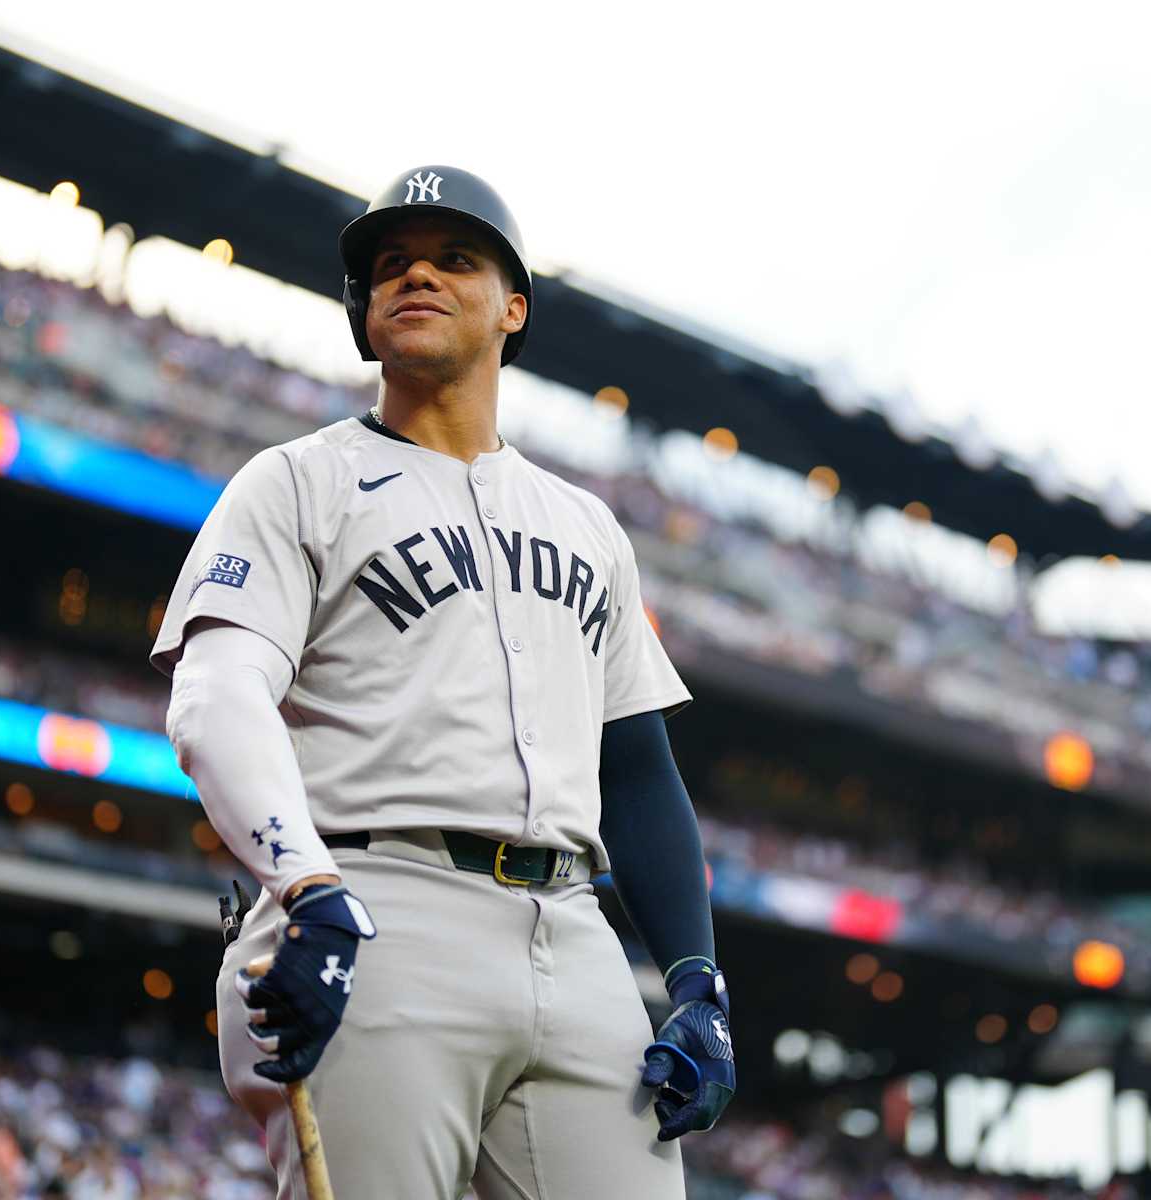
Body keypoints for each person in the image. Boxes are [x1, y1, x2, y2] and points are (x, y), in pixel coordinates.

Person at [153, 165, 733, 1198]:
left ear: (513, 307)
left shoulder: (588, 526)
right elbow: (215, 695)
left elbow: (639, 773)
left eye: (454, 258)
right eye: (389, 265)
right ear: (362, 316)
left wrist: (696, 981)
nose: (415, 273)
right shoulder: (298, 481)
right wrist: (306, 889)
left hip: (577, 931)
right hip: (378, 904)